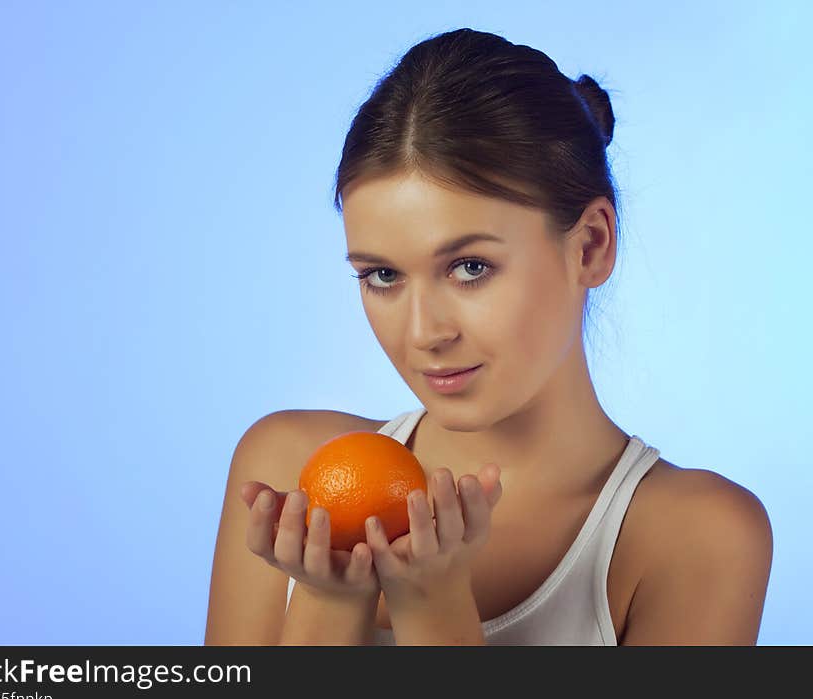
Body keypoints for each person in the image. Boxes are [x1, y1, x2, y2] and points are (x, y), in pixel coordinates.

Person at [204, 28, 773, 646]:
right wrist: (327, 599)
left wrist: (435, 605)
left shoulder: (695, 536)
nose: (424, 333)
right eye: (382, 275)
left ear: (590, 246)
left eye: (469, 267)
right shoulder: (291, 469)